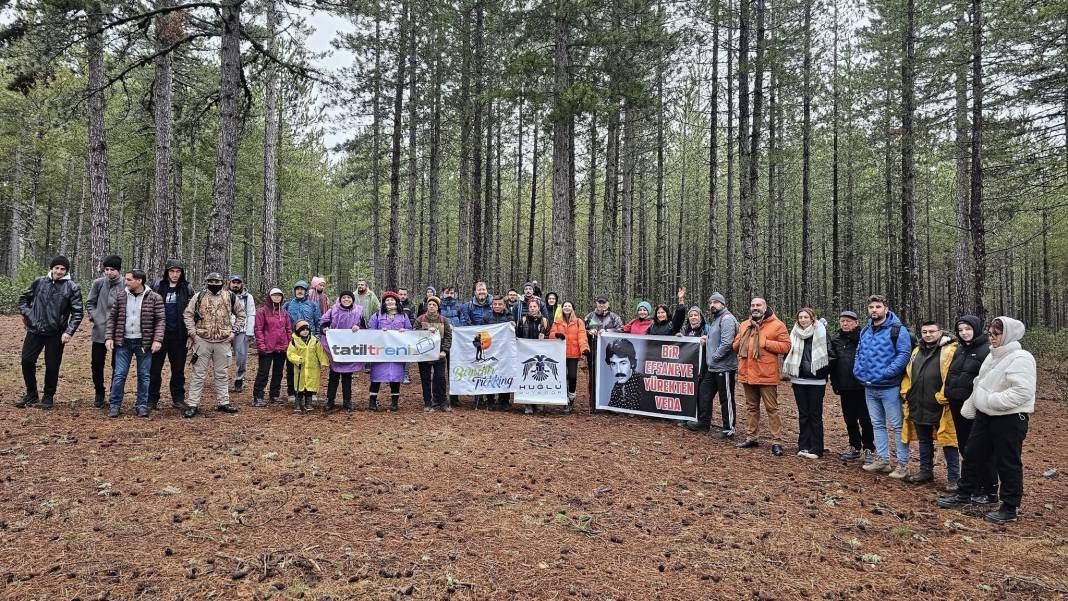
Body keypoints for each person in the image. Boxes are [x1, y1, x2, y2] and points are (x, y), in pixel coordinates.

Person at [937, 317, 1036, 524]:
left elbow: (1022, 392)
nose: (992, 338)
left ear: (1008, 334)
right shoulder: (992, 356)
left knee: (1007, 462)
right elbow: (980, 383)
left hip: (1009, 419)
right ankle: (964, 494)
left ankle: (1009, 507)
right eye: (990, 334)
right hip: (985, 416)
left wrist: (990, 401)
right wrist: (972, 405)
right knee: (972, 454)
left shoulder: (1021, 357)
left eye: (997, 334)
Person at [853, 295, 913, 477]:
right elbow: (859, 352)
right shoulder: (865, 330)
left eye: (878, 307)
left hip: (889, 387)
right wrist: (857, 370)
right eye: (871, 307)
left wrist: (887, 373)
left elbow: (903, 354)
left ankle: (903, 464)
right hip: (869, 387)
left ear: (886, 309)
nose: (874, 310)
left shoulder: (897, 330)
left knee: (897, 425)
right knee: (877, 424)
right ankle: (883, 460)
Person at [15, 256, 83, 410]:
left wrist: (69, 332)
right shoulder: (39, 282)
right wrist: (29, 315)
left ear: (66, 271)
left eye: (62, 269)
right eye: (56, 268)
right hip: (35, 330)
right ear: (52, 268)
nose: (59, 271)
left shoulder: (72, 287)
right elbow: (23, 299)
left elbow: (78, 313)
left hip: (56, 333)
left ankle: (48, 396)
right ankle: (31, 394)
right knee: (26, 360)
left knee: (52, 365)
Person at [900, 321, 960, 486]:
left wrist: (945, 396)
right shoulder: (917, 351)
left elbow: (953, 376)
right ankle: (926, 471)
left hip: (941, 405)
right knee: (924, 440)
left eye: (932, 331)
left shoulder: (950, 350)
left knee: (948, 442)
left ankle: (954, 478)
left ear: (940, 332)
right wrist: (907, 393)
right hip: (918, 402)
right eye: (924, 332)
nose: (928, 335)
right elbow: (908, 374)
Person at [731, 297, 791, 456]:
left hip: (766, 374)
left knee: (772, 408)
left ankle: (776, 441)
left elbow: (786, 346)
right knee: (751, 407)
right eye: (753, 305)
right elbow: (735, 346)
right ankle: (752, 437)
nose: (755, 307)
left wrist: (766, 342)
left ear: (765, 307)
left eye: (758, 305)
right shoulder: (745, 324)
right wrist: (739, 342)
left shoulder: (777, 325)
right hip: (747, 372)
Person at [943, 315, 995, 497]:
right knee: (965, 447)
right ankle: (973, 484)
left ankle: (987, 487)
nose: (964, 333)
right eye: (961, 330)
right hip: (956, 404)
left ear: (976, 329)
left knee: (978, 448)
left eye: (968, 329)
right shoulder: (960, 350)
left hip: (974, 407)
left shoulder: (986, 350)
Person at [181, 272, 246, 418]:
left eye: (217, 281)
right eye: (211, 281)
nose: (214, 284)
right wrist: (193, 334)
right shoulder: (199, 296)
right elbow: (188, 314)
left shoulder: (230, 296)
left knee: (222, 374)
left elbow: (241, 314)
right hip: (202, 341)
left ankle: (224, 402)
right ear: (207, 282)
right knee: (198, 374)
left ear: (222, 282)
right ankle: (192, 404)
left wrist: (233, 332)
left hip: (223, 341)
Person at [104, 270, 164, 417]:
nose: (126, 282)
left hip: (144, 342)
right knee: (119, 374)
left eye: (129, 280)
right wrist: (109, 337)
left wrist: (157, 340)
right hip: (123, 342)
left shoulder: (155, 297)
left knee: (144, 375)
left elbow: (160, 320)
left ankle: (142, 405)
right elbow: (113, 318)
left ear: (139, 281)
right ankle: (115, 405)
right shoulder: (121, 296)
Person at [782, 308, 830, 459]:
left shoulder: (821, 333)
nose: (803, 320)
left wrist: (821, 371)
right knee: (803, 414)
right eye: (800, 317)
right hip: (798, 379)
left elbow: (830, 354)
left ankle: (816, 448)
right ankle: (803, 446)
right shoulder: (794, 334)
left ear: (812, 319)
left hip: (816, 381)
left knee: (815, 414)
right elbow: (787, 353)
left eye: (806, 317)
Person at [829, 310, 876, 462]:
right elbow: (833, 364)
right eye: (842, 321)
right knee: (849, 419)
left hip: (862, 386)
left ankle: (868, 448)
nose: (845, 323)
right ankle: (854, 447)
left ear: (856, 323)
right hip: (844, 387)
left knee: (865, 419)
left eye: (849, 321)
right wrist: (835, 383)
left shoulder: (864, 338)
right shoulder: (836, 341)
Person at [149, 259, 195, 409]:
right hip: (159, 336)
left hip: (179, 336)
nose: (175, 275)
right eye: (172, 271)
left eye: (178, 271)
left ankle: (178, 399)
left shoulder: (186, 288)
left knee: (178, 370)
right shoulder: (158, 286)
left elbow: (193, 313)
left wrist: (190, 335)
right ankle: (151, 399)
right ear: (167, 272)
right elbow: (149, 310)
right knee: (154, 369)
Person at [86, 254, 123, 408]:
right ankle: (99, 392)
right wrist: (95, 317)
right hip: (99, 331)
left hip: (119, 332)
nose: (108, 272)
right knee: (96, 364)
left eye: (112, 269)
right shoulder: (98, 283)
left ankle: (114, 394)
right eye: (106, 269)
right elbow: (90, 302)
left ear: (118, 270)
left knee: (118, 365)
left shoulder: (126, 285)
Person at [320, 290, 365, 411]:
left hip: (349, 348)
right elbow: (323, 323)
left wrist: (358, 327)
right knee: (333, 375)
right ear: (340, 299)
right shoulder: (333, 310)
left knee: (347, 376)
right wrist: (325, 329)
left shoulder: (358, 311)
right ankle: (330, 401)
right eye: (344, 297)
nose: (346, 300)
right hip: (336, 348)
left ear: (352, 299)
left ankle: (347, 401)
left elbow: (364, 327)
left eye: (349, 298)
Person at [367, 291, 411, 411]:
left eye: (392, 300)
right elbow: (370, 330)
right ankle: (372, 401)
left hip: (396, 352)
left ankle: (394, 402)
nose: (390, 302)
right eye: (387, 300)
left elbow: (410, 331)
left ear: (396, 302)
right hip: (381, 351)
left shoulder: (403, 316)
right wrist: (379, 333)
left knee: (396, 376)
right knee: (377, 376)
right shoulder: (377, 315)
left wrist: (404, 331)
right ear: (384, 302)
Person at [703, 293, 739, 438]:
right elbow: (717, 339)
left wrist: (714, 358)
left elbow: (727, 343)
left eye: (716, 302)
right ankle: (703, 423)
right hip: (713, 367)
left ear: (722, 304)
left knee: (726, 398)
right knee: (704, 394)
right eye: (711, 303)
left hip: (724, 367)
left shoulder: (727, 319)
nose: (713, 305)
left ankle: (729, 428)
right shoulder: (716, 319)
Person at [252, 288, 293, 407]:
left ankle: (274, 395)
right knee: (263, 372)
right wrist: (261, 345)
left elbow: (288, 330)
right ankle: (258, 396)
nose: (277, 297)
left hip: (281, 347)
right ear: (269, 297)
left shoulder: (284, 313)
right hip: (267, 347)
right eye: (274, 295)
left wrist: (289, 344)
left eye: (279, 295)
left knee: (278, 372)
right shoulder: (262, 311)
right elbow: (258, 329)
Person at [550, 301, 590, 413]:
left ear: (572, 308)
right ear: (562, 308)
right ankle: (565, 400)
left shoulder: (578, 322)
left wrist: (585, 349)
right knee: (562, 377)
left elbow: (582, 336)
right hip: (560, 354)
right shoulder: (557, 322)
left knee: (572, 376)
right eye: (565, 306)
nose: (567, 308)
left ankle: (571, 397)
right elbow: (551, 335)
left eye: (569, 306)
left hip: (573, 354)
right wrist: (556, 335)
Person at [284, 280, 322, 400]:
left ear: (306, 291)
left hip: (310, 339)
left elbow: (318, 321)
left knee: (312, 367)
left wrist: (317, 336)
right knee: (292, 366)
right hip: (294, 339)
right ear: (294, 291)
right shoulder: (288, 305)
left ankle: (310, 393)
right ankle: (292, 392)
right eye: (297, 289)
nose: (299, 291)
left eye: (302, 289)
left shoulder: (313, 305)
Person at [415, 295, 453, 412]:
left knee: (440, 378)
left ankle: (442, 402)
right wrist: (425, 330)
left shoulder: (443, 320)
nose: (431, 306)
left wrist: (444, 351)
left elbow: (448, 336)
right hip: (424, 355)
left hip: (439, 355)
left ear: (438, 307)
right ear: (426, 306)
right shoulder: (420, 319)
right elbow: (413, 334)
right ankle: (428, 402)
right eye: (430, 304)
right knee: (425, 378)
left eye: (434, 305)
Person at [584, 295, 624, 403]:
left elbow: (621, 329)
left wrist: (608, 331)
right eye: (599, 302)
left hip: (610, 352)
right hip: (593, 351)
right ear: (596, 303)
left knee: (609, 375)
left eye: (604, 302)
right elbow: (581, 330)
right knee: (593, 376)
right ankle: (593, 402)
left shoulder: (614, 317)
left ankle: (609, 401)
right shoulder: (590, 316)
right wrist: (589, 332)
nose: (601, 305)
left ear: (608, 304)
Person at [516, 298, 550, 414]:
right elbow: (517, 335)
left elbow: (550, 336)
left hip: (540, 354)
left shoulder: (545, 321)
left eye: (534, 307)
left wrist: (544, 338)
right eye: (530, 307)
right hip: (525, 353)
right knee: (528, 377)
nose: (532, 309)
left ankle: (539, 402)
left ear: (538, 308)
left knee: (539, 377)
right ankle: (528, 404)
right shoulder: (523, 320)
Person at [287, 320, 329, 413]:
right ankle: (298, 402)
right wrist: (297, 359)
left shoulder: (315, 341)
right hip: (300, 369)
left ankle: (308, 402)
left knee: (310, 386)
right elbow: (290, 354)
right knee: (299, 386)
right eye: (302, 330)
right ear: (298, 331)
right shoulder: (294, 342)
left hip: (312, 368)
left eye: (307, 329)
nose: (305, 331)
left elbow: (320, 352)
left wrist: (324, 362)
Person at [483, 296, 517, 410]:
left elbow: (514, 333)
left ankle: (504, 400)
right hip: (490, 350)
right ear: (492, 305)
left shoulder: (509, 317)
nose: (497, 306)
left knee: (505, 373)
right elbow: (481, 332)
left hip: (504, 351)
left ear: (504, 305)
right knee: (490, 373)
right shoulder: (487, 317)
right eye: (495, 304)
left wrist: (513, 326)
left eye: (499, 304)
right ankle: (490, 400)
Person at [228, 275, 256, 393]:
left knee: (241, 357)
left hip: (242, 330)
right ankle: (222, 380)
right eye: (233, 282)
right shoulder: (223, 295)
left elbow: (251, 313)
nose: (235, 285)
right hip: (225, 331)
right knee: (223, 357)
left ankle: (239, 379)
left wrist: (249, 332)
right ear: (229, 283)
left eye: (238, 283)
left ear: (242, 284)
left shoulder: (248, 297)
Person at [605, 338, 643, 410]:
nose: (618, 370)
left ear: (632, 363)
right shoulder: (617, 386)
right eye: (613, 364)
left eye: (623, 363)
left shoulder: (642, 383)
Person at [397, 287, 415, 384]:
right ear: (397, 294)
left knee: (406, 353)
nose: (402, 296)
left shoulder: (411, 305)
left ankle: (405, 374)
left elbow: (413, 318)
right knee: (394, 352)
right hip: (394, 334)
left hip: (406, 333)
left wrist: (405, 325)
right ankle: (396, 374)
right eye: (401, 294)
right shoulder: (392, 303)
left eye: (404, 294)